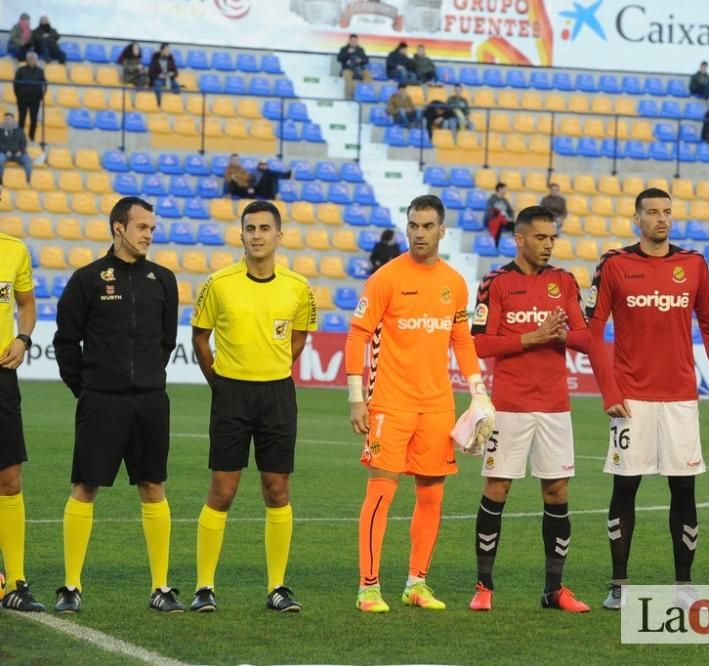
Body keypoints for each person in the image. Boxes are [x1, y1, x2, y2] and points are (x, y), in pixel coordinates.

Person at [586, 188, 709, 611]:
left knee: (683, 490)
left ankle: (684, 585)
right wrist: (609, 390)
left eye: (667, 212)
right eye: (652, 212)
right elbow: (593, 332)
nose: (661, 219)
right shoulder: (614, 264)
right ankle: (619, 584)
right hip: (631, 398)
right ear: (636, 219)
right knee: (624, 489)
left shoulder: (694, 264)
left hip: (680, 398)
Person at [345, 194, 493, 614]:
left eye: (428, 226)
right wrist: (357, 399)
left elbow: (461, 339)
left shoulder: (454, 282)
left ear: (442, 230)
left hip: (437, 406)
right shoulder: (385, 278)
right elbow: (357, 335)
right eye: (413, 225)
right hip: (390, 404)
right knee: (380, 494)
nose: (419, 233)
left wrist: (478, 388)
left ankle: (416, 583)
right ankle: (368, 586)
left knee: (431, 497)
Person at [52, 196, 182, 614]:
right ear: (118, 228)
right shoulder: (87, 279)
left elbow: (165, 341)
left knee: (153, 487)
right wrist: (88, 389)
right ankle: (71, 586)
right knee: (85, 487)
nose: (149, 234)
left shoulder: (163, 279)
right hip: (100, 402)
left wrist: (143, 378)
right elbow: (66, 343)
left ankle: (161, 587)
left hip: (150, 402)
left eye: (152, 228)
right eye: (142, 227)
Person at [189, 200, 317, 613]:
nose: (257, 235)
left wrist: (274, 365)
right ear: (240, 234)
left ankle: (278, 587)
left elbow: (299, 338)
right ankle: (204, 586)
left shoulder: (298, 287)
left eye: (265, 228)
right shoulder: (218, 283)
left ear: (279, 236)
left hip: (277, 395)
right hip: (232, 395)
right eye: (250, 228)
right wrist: (222, 384)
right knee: (222, 490)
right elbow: (199, 340)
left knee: (276, 490)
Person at [468, 206, 591, 613]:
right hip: (511, 405)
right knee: (497, 489)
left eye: (552, 238)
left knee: (557, 492)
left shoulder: (564, 281)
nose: (548, 244)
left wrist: (562, 334)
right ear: (520, 239)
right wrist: (531, 337)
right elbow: (480, 343)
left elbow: (584, 338)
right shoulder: (496, 282)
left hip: (555, 406)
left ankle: (554, 591)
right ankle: (484, 586)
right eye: (540, 237)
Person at [0, 195, 44, 612]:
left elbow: (27, 306)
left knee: (10, 478)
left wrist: (23, 337)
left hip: (1, 377)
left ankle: (15, 582)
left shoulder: (14, 250)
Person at [13, 51, 45, 142]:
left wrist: (41, 96)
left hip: (35, 99)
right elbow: (15, 83)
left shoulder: (40, 71)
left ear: (36, 60)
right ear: (26, 60)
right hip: (22, 98)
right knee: (21, 118)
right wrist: (18, 95)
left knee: (34, 119)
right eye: (29, 58)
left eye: (33, 59)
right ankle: (20, 138)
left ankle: (31, 137)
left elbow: (44, 84)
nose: (31, 60)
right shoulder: (20, 70)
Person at [337, 34, 372, 100]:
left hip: (359, 69)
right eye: (352, 40)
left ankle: (362, 92)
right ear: (349, 41)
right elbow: (339, 59)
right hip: (348, 69)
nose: (353, 42)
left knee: (368, 74)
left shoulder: (360, 49)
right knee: (347, 75)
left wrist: (361, 61)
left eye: (355, 41)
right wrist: (347, 53)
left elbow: (366, 60)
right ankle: (351, 95)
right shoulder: (344, 49)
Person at [0, 113, 32, 185]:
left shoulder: (19, 130)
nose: (7, 120)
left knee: (27, 161)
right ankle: (0, 179)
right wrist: (5, 151)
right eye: (6, 119)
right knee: (0, 159)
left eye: (9, 119)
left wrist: (20, 151)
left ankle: (28, 179)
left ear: (13, 120)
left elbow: (24, 143)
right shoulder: (0, 131)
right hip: (5, 153)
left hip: (18, 153)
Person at [485, 182, 515, 247]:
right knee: (498, 225)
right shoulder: (492, 199)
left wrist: (511, 217)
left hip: (504, 220)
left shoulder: (505, 200)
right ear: (499, 189)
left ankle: (513, 245)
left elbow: (510, 211)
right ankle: (495, 245)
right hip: (494, 220)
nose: (505, 190)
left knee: (515, 226)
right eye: (504, 189)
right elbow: (489, 211)